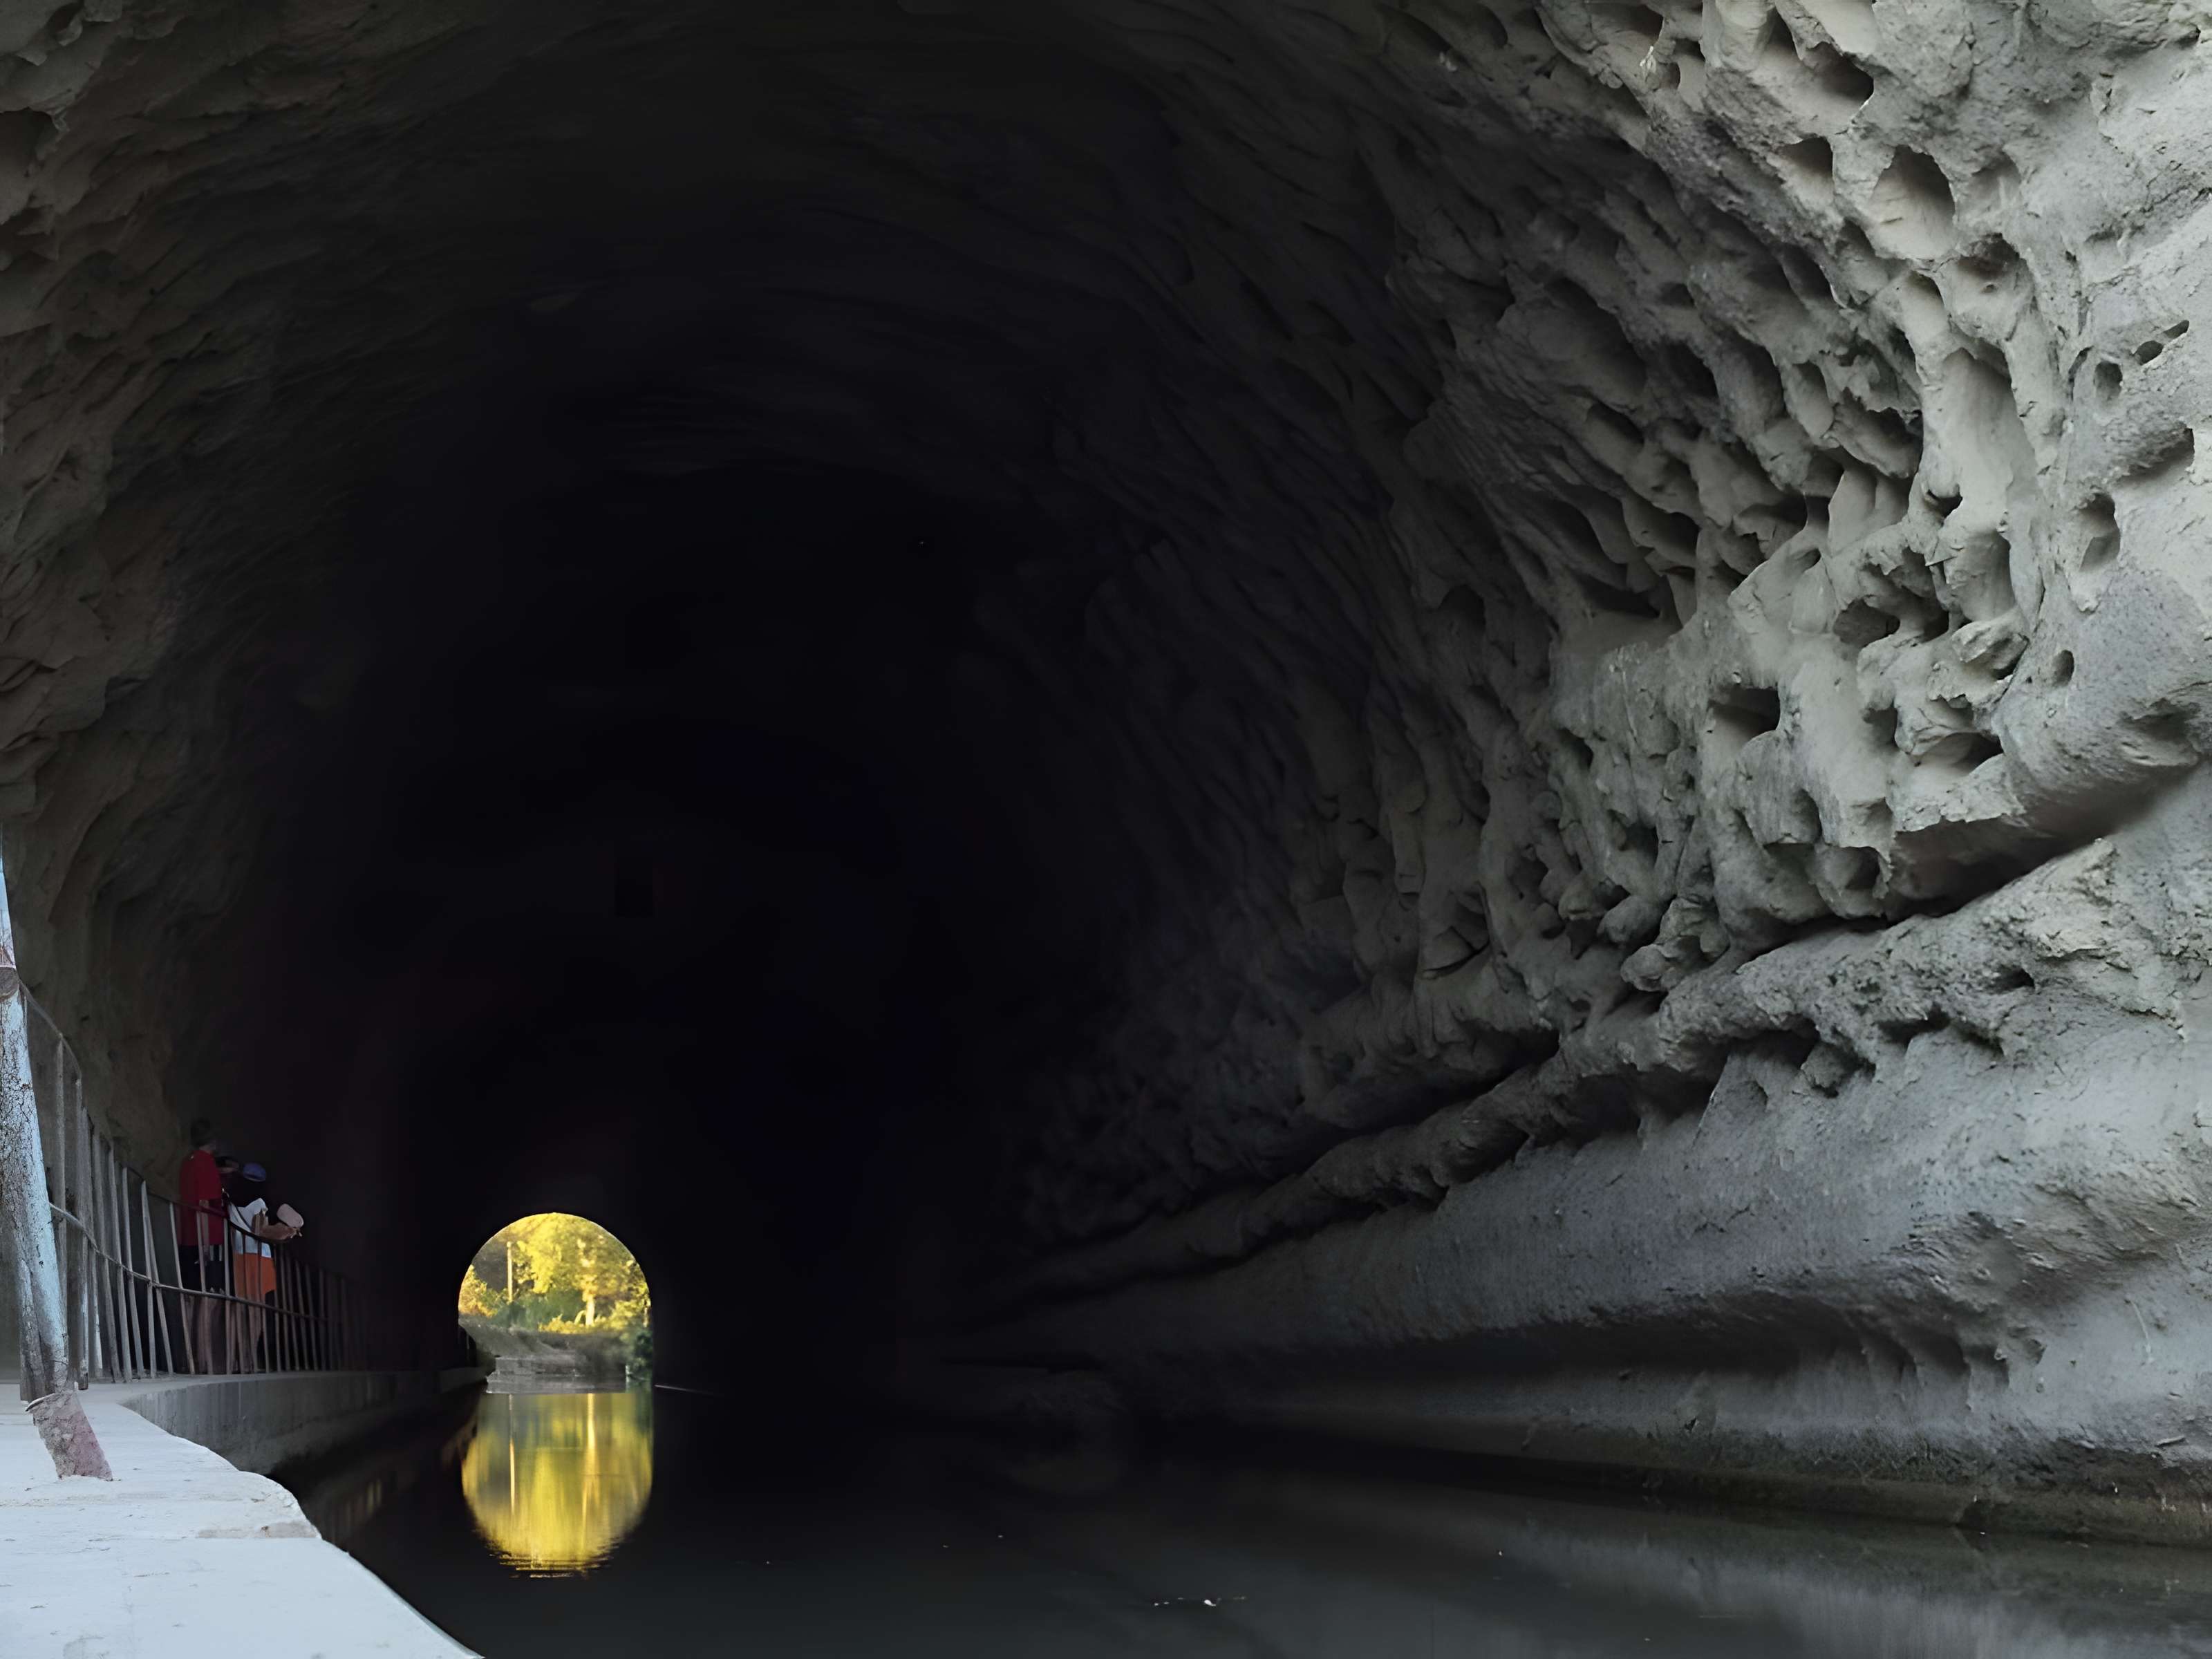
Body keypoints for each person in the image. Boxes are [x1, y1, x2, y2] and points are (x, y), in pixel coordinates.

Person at [222, 1160, 297, 1372]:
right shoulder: (258, 1203)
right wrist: (285, 1232)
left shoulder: (231, 1202)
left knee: (240, 1308)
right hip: (258, 1258)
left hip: (237, 1255)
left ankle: (237, 1359)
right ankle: (250, 1360)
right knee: (256, 1310)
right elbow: (261, 1231)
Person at [175, 1119, 225, 1372]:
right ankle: (205, 1360)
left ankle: (189, 1358)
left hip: (187, 1237)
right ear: (213, 1141)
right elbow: (205, 1204)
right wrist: (206, 1244)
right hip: (206, 1239)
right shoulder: (206, 1164)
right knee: (210, 1299)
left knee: (192, 1298)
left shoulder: (187, 1162)